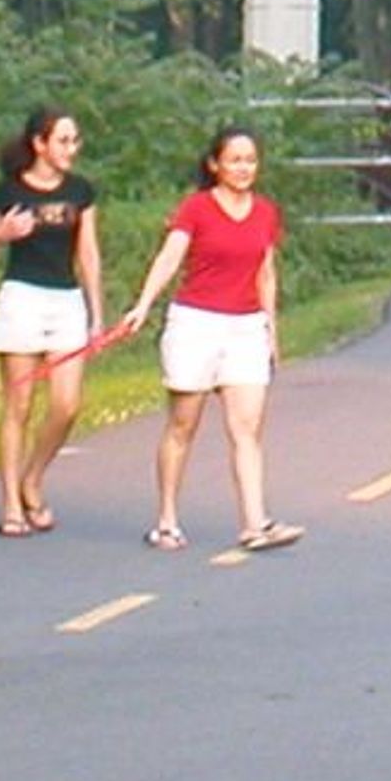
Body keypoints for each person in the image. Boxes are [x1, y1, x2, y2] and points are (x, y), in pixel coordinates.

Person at [120, 126, 303, 554]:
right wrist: (143, 304)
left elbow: (266, 273)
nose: (243, 168)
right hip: (196, 323)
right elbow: (170, 257)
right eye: (234, 160)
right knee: (183, 424)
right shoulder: (196, 209)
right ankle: (166, 519)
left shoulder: (265, 212)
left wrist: (271, 330)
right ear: (214, 164)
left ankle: (255, 523)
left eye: (250, 160)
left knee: (247, 428)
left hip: (245, 327)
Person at [0, 106, 104, 537]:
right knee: (19, 406)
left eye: (75, 140)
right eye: (63, 140)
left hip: (65, 299)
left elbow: (88, 253)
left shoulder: (81, 191)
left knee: (67, 404)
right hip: (21, 297)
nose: (71, 149)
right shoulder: (9, 191)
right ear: (39, 144)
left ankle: (33, 477)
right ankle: (11, 502)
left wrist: (96, 313)